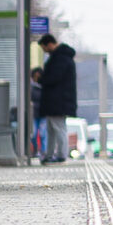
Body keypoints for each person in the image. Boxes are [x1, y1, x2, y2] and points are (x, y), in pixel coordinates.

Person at [36, 33, 78, 163]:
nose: (45, 51)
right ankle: (49, 154)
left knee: (58, 129)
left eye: (44, 48)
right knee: (52, 129)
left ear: (49, 44)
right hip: (57, 101)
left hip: (57, 102)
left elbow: (53, 78)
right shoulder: (61, 57)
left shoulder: (60, 59)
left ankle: (60, 155)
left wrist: (41, 78)